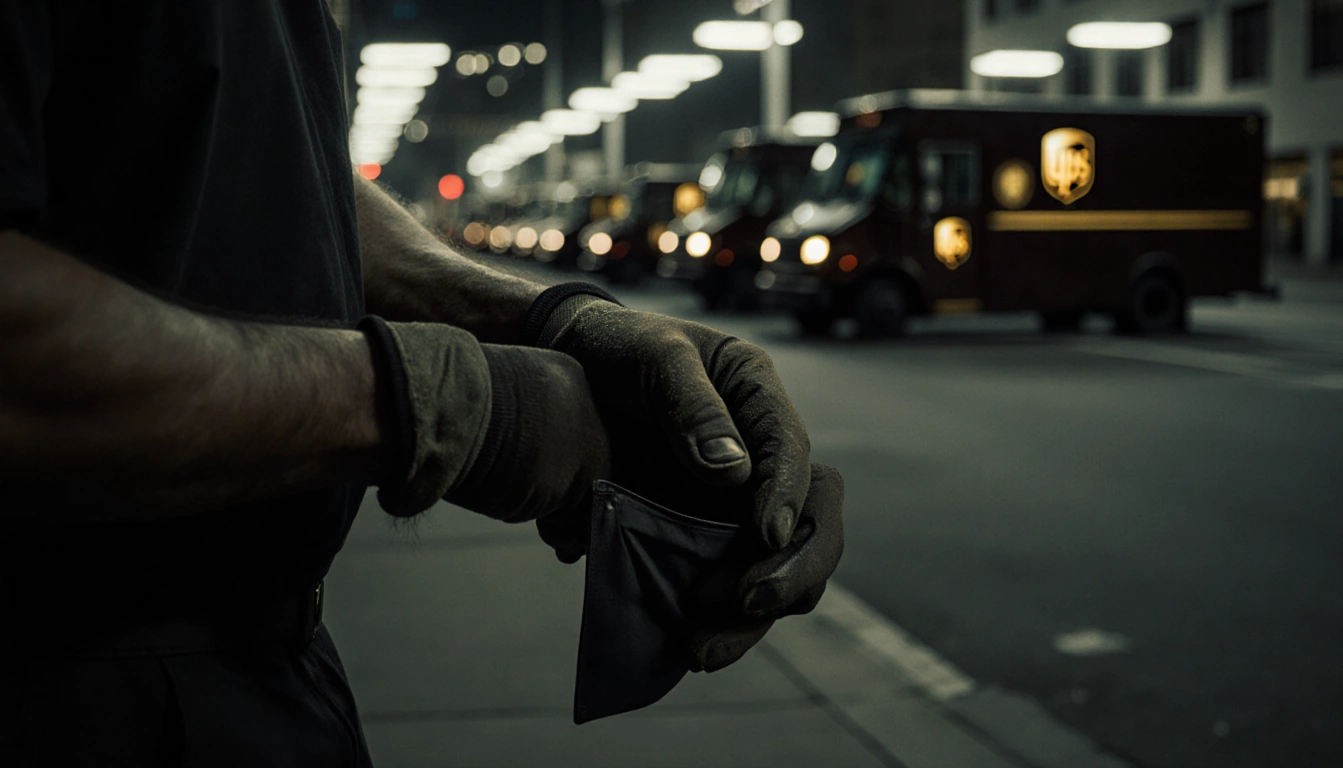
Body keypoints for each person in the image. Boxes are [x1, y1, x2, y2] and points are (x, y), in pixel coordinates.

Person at [0, 2, 844, 765]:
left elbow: (277, 178)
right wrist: (443, 402)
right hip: (68, 693)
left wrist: (556, 321)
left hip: (265, 669)